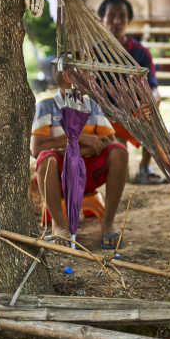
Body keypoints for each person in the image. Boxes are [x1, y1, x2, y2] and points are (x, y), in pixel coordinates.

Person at [31, 69, 128, 249]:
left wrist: (74, 149)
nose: (93, 77)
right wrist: (79, 139)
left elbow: (109, 141)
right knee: (46, 159)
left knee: (119, 152)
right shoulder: (46, 106)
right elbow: (37, 149)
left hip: (90, 173)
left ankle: (108, 223)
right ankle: (61, 226)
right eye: (87, 73)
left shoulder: (92, 105)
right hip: (59, 177)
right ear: (68, 76)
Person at [98, 0, 165, 185]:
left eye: (122, 16)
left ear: (129, 21)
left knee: (153, 113)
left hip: (135, 112)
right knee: (120, 173)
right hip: (107, 115)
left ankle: (144, 167)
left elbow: (153, 86)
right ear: (102, 19)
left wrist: (153, 101)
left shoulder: (140, 53)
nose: (117, 21)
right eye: (111, 16)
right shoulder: (95, 53)